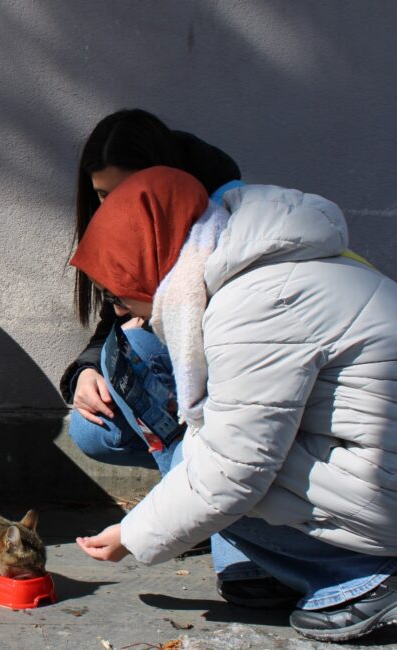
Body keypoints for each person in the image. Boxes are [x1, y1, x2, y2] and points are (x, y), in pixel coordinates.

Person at [71, 166, 397, 643]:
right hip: (375, 468)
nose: (118, 310)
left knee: (211, 472)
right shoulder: (252, 263)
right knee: (145, 371)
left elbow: (234, 471)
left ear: (151, 265)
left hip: (382, 487)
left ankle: (364, 580)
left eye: (119, 294)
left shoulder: (256, 303)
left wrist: (134, 534)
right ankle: (274, 569)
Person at [60, 109, 284, 606]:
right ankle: (197, 518)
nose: (115, 208)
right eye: (102, 197)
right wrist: (88, 368)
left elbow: (232, 431)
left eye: (127, 193)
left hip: (242, 392)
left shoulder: (215, 218)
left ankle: (237, 551)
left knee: (151, 363)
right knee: (89, 428)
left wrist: (144, 529)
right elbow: (119, 313)